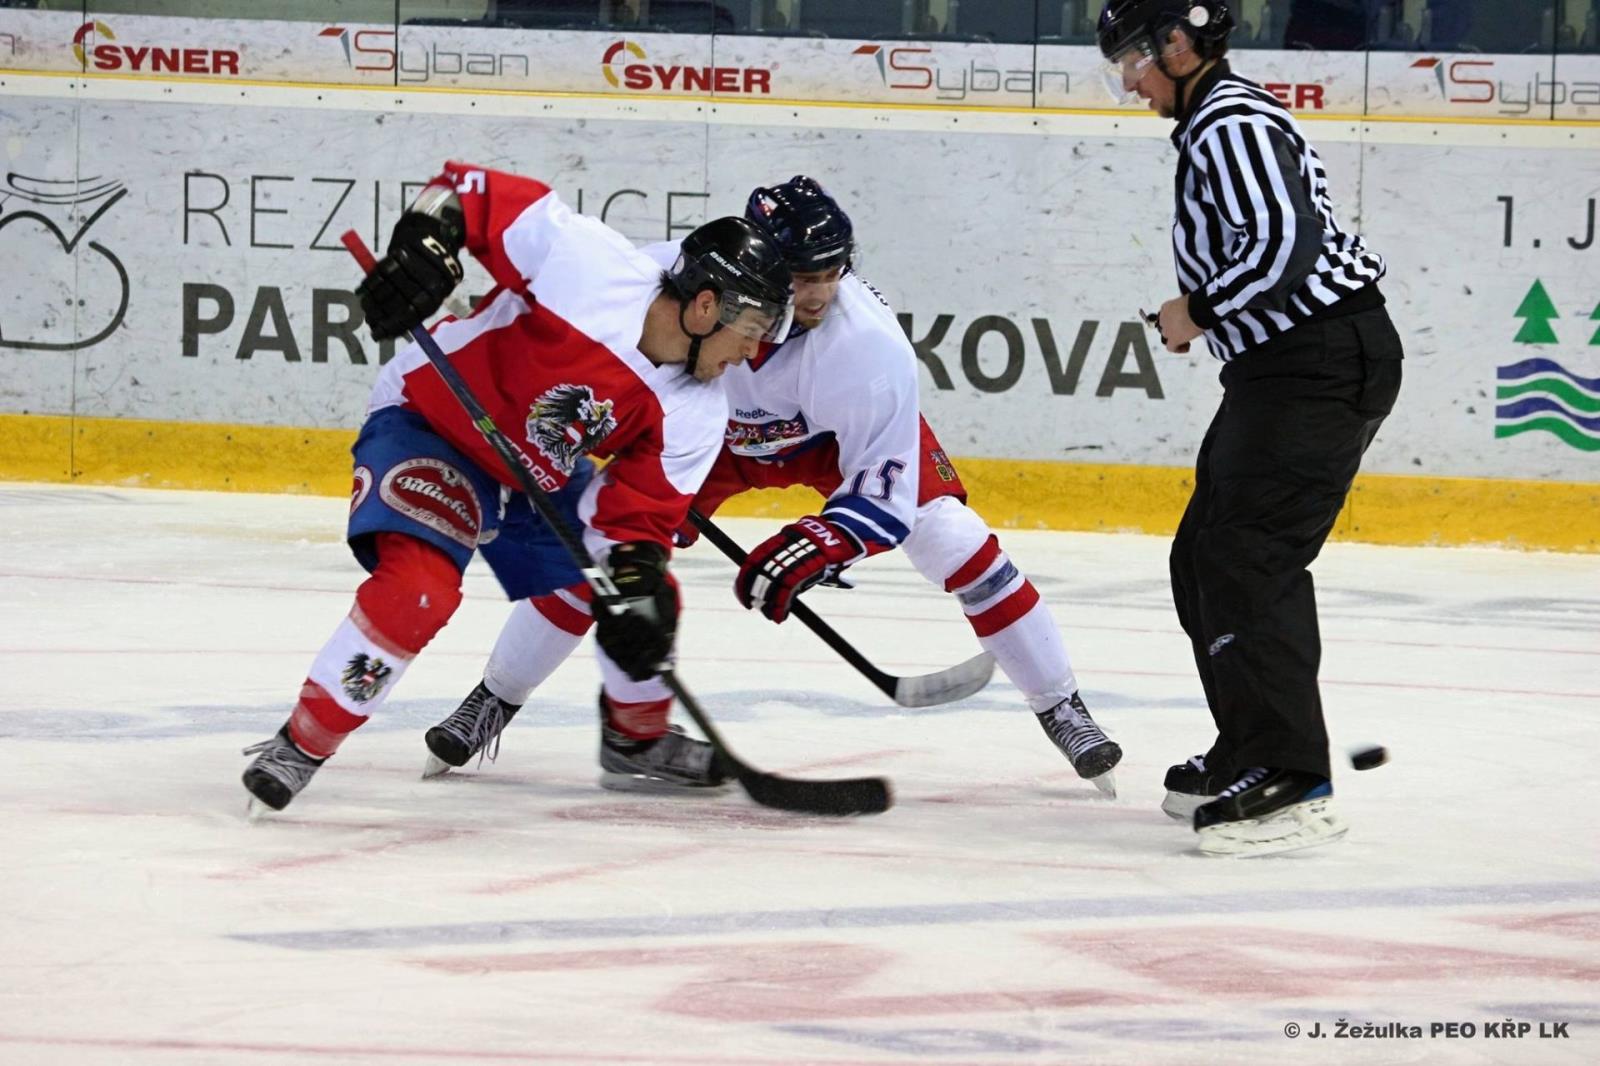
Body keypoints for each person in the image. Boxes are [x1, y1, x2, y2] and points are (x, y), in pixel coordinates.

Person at [426, 176, 1124, 794]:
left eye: (832, 272)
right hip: (708, 434)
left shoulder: (868, 347)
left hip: (827, 441)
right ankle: (498, 698)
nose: (819, 293)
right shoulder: (685, 285)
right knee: (604, 557)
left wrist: (823, 541)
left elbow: (882, 490)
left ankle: (1062, 706)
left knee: (952, 535)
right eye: (802, 276)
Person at [239, 161, 793, 811]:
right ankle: (303, 743)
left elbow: (634, 524)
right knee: (417, 591)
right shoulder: (589, 266)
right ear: (706, 305)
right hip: (433, 421)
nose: (750, 355)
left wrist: (636, 586)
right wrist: (425, 246)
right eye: (750, 331)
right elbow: (463, 191)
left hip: (536, 474)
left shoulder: (696, 411)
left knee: (630, 592)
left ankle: (629, 737)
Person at [1098, 0, 1403, 855]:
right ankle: (1249, 747)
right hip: (1285, 369)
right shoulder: (1215, 120)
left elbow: (1285, 249)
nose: (1131, 82)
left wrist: (1195, 310)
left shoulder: (1229, 121)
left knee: (1248, 556)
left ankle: (1292, 779)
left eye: (1134, 60)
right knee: (1204, 555)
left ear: (1179, 43)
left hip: (1318, 364)